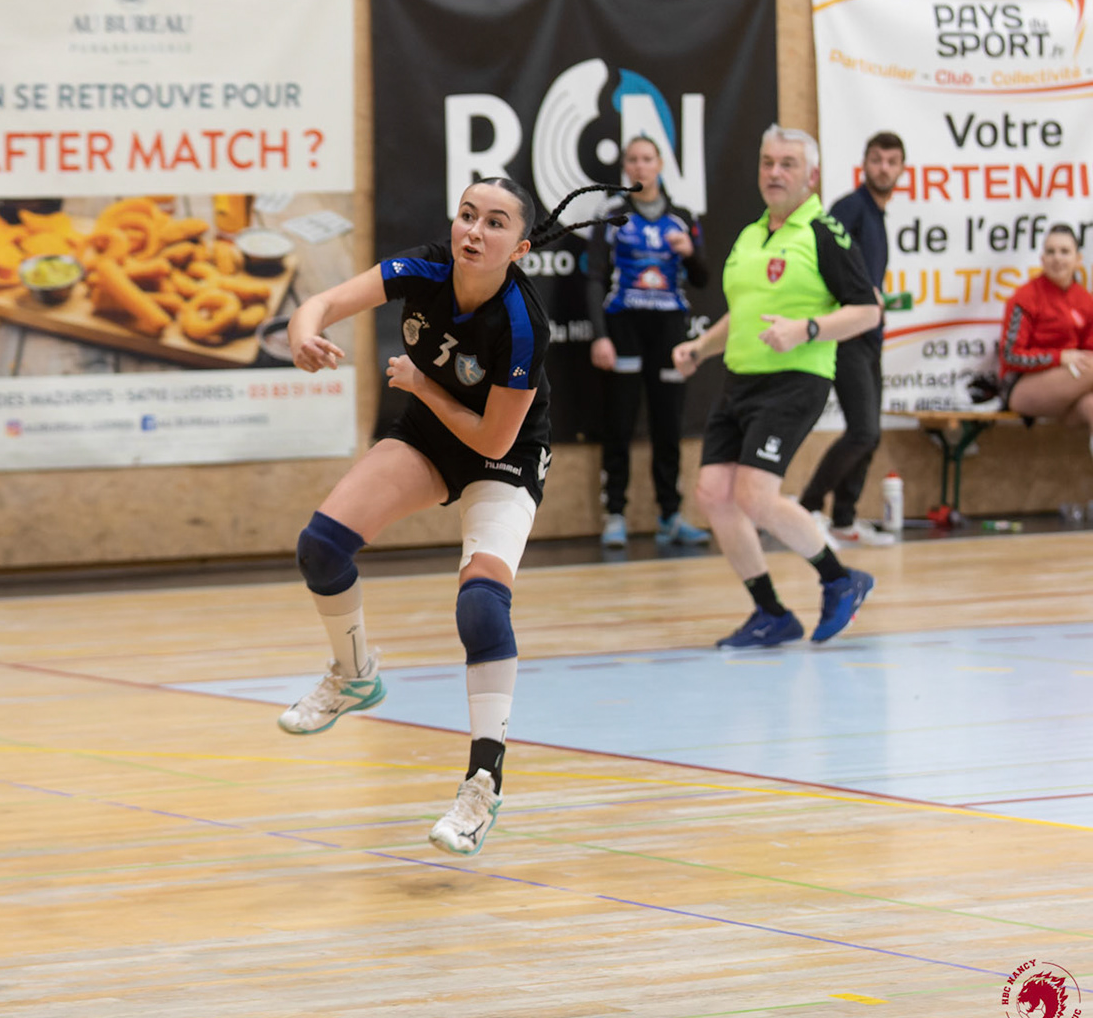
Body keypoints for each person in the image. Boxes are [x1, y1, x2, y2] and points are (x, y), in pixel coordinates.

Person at [274, 177, 625, 858]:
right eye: (467, 215)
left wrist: (424, 385)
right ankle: (352, 675)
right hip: (432, 432)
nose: (474, 230)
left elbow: (493, 441)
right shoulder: (427, 266)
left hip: (505, 453)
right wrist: (303, 334)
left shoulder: (523, 323)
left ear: (518, 248)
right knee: (321, 548)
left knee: (481, 607)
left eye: (495, 223)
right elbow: (321, 301)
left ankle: (483, 784)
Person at [671, 126, 882, 648]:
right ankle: (771, 613)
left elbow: (868, 310)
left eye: (787, 164)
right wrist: (701, 348)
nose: (774, 172)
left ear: (811, 175)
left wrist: (805, 329)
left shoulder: (824, 232)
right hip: (739, 380)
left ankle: (840, 579)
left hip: (796, 380)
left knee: (754, 493)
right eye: (768, 162)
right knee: (713, 494)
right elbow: (741, 315)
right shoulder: (750, 235)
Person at [588, 136, 711, 549]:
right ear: (625, 167)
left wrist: (691, 252)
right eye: (633, 160)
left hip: (670, 330)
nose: (640, 167)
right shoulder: (612, 213)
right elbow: (593, 279)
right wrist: (600, 336)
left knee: (668, 426)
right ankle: (616, 515)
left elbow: (703, 278)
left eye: (647, 159)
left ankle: (670, 516)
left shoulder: (682, 217)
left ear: (660, 164)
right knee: (618, 424)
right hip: (624, 325)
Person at [797, 131, 903, 547]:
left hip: (870, 334)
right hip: (845, 335)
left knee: (870, 432)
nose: (884, 168)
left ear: (901, 169)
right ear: (865, 163)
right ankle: (806, 509)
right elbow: (824, 256)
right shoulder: (850, 208)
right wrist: (858, 294)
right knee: (862, 431)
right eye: (877, 160)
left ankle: (843, 519)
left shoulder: (877, 216)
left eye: (892, 162)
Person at [1000, 226, 1093, 450]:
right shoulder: (1026, 297)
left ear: (1078, 258)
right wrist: (1059, 357)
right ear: (1042, 258)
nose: (1057, 258)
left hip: (1071, 387)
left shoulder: (1084, 300)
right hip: (1024, 387)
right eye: (1051, 252)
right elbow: (1010, 356)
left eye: (1064, 251)